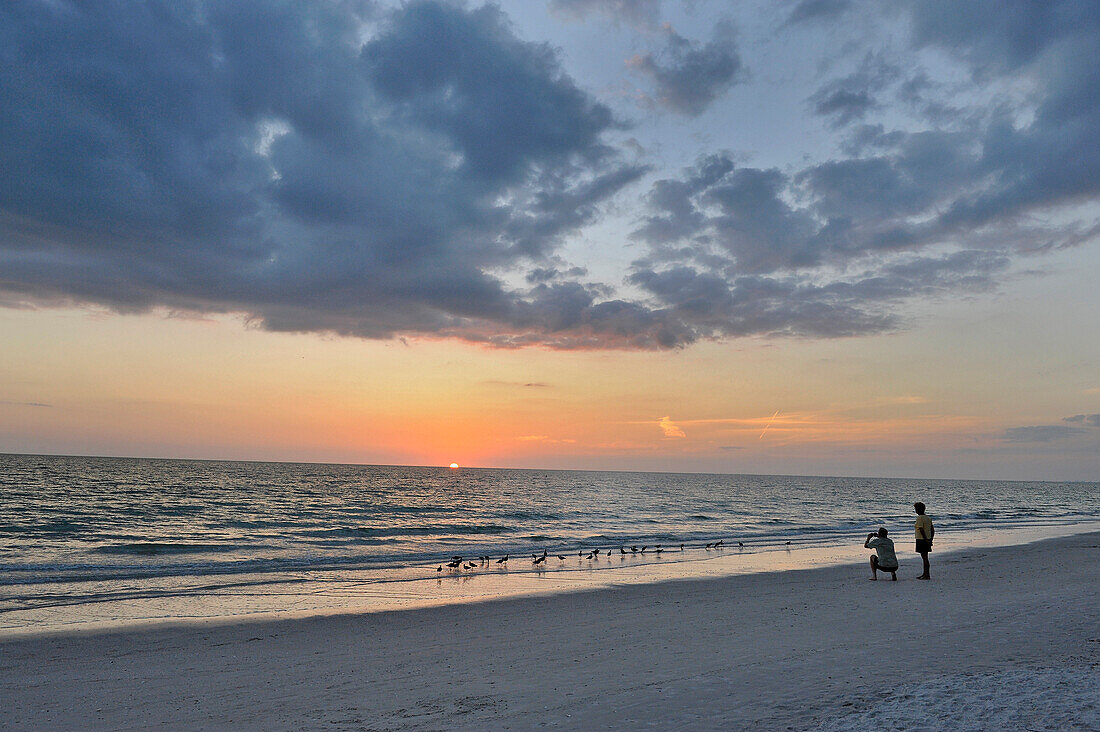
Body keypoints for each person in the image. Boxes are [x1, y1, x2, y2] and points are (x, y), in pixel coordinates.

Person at [914, 501, 934, 580]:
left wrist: (925, 539)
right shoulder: (928, 518)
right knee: (925, 557)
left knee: (924, 557)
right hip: (927, 539)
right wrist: (930, 539)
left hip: (921, 539)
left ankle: (926, 575)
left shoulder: (920, 518)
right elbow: (932, 529)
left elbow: (921, 529)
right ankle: (925, 573)